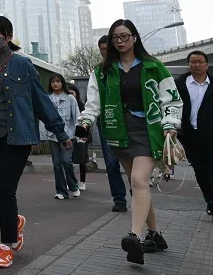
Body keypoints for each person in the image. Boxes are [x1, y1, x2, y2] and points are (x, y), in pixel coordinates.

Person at [0, 16, 71, 269]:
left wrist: (60, 133)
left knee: (5, 191)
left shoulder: (23, 65)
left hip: (17, 137)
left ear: (8, 36)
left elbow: (40, 100)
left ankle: (6, 245)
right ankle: (15, 223)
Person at [77, 19, 183, 265]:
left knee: (138, 180)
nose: (120, 41)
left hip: (148, 130)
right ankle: (155, 235)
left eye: (125, 36)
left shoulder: (153, 67)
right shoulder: (102, 71)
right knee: (139, 186)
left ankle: (134, 235)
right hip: (118, 132)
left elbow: (172, 100)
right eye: (116, 37)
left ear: (134, 37)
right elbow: (93, 103)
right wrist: (85, 122)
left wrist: (170, 124)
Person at [174, 51, 212, 217]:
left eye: (200, 62)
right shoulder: (179, 85)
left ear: (206, 64)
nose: (197, 65)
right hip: (190, 135)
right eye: (193, 62)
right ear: (188, 64)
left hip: (210, 134)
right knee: (200, 171)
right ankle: (209, 199)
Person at [94, 35, 129, 212]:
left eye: (107, 48)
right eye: (101, 49)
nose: (104, 52)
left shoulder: (126, 67)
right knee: (111, 162)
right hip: (107, 122)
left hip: (129, 121)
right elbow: (93, 100)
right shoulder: (99, 71)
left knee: (132, 160)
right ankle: (119, 199)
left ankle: (137, 193)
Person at [46, 75, 80, 200]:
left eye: (58, 81)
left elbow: (76, 117)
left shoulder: (70, 98)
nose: (55, 84)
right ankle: (61, 190)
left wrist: (79, 135)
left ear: (62, 83)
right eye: (53, 82)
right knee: (57, 164)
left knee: (66, 161)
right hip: (52, 135)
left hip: (68, 135)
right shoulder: (47, 99)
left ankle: (73, 185)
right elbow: (43, 118)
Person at [67, 83, 88, 191]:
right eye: (69, 93)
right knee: (68, 159)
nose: (71, 95)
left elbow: (85, 121)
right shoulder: (66, 105)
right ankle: (71, 181)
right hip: (69, 135)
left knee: (81, 160)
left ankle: (83, 181)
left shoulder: (81, 105)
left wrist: (85, 135)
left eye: (72, 93)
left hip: (81, 136)